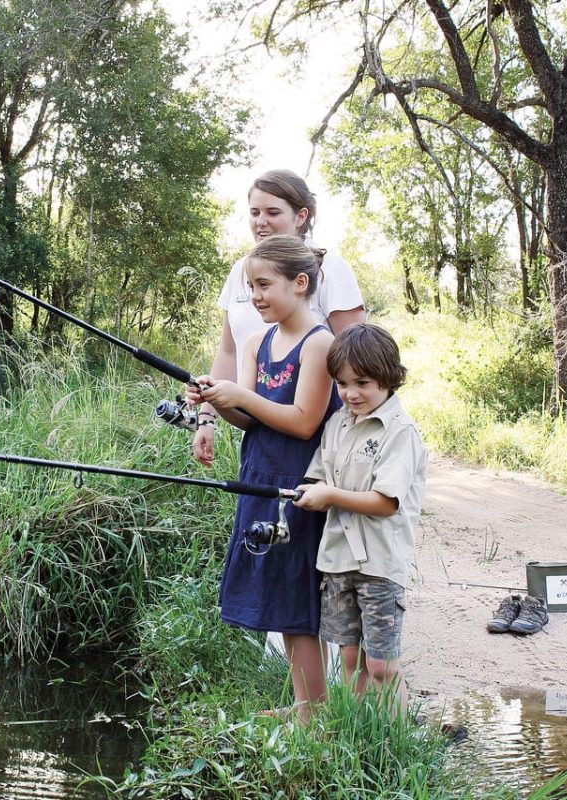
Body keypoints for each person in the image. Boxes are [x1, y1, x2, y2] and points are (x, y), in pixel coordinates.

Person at [187, 234, 338, 723]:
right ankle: (304, 706)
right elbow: (250, 419)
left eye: (264, 284)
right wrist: (216, 400)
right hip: (259, 475)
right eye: (250, 286)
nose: (254, 296)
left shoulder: (321, 343)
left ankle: (313, 713)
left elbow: (303, 421)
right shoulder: (256, 341)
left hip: (300, 484)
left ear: (300, 283)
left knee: (296, 596)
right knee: (274, 589)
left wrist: (240, 396)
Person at [293, 323, 426, 716]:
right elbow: (318, 473)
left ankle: (395, 743)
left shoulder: (400, 432)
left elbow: (386, 502)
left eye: (362, 383)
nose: (351, 393)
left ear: (388, 378)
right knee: (350, 662)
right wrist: (310, 491)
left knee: (381, 664)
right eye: (342, 384)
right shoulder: (336, 424)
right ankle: (358, 738)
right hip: (337, 561)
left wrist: (330, 496)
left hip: (380, 564)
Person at [192, 169, 365, 468]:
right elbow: (228, 350)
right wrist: (209, 412)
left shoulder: (331, 269)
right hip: (261, 445)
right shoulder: (241, 271)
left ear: (300, 216)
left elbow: (362, 356)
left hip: (316, 449)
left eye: (273, 212)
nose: (261, 221)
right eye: (255, 212)